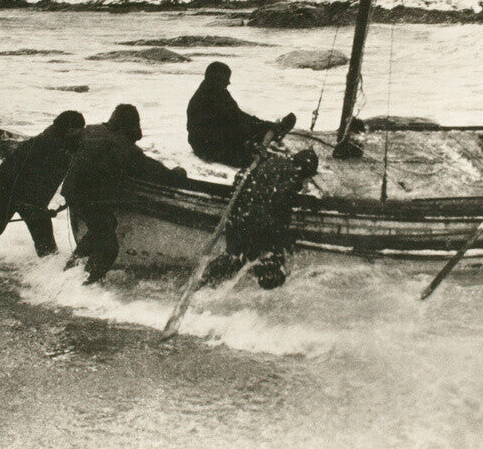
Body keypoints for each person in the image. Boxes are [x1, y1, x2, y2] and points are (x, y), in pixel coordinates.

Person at [62, 104, 186, 285]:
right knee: (109, 248)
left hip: (72, 192)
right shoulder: (124, 147)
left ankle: (69, 272)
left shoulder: (90, 131)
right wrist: (177, 174)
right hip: (90, 198)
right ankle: (84, 286)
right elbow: (154, 170)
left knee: (102, 228)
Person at [0, 111, 86, 265]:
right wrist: (38, 208)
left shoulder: (60, 139)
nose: (82, 132)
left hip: (19, 189)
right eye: (79, 129)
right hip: (7, 188)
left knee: (34, 234)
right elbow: (38, 182)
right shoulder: (49, 146)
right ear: (69, 130)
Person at [203, 149, 319, 290]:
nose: (306, 182)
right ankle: (263, 296)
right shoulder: (291, 178)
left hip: (238, 218)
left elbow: (242, 177)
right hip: (255, 225)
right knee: (271, 268)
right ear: (304, 171)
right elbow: (279, 209)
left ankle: (204, 283)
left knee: (233, 257)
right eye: (307, 178)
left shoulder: (272, 162)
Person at [187, 62, 285, 167]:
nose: (228, 82)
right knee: (257, 160)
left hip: (220, 137)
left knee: (252, 132)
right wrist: (250, 140)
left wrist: (263, 124)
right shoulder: (205, 99)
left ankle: (264, 137)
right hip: (208, 146)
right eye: (225, 79)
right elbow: (232, 122)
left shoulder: (219, 92)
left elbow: (238, 115)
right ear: (216, 79)